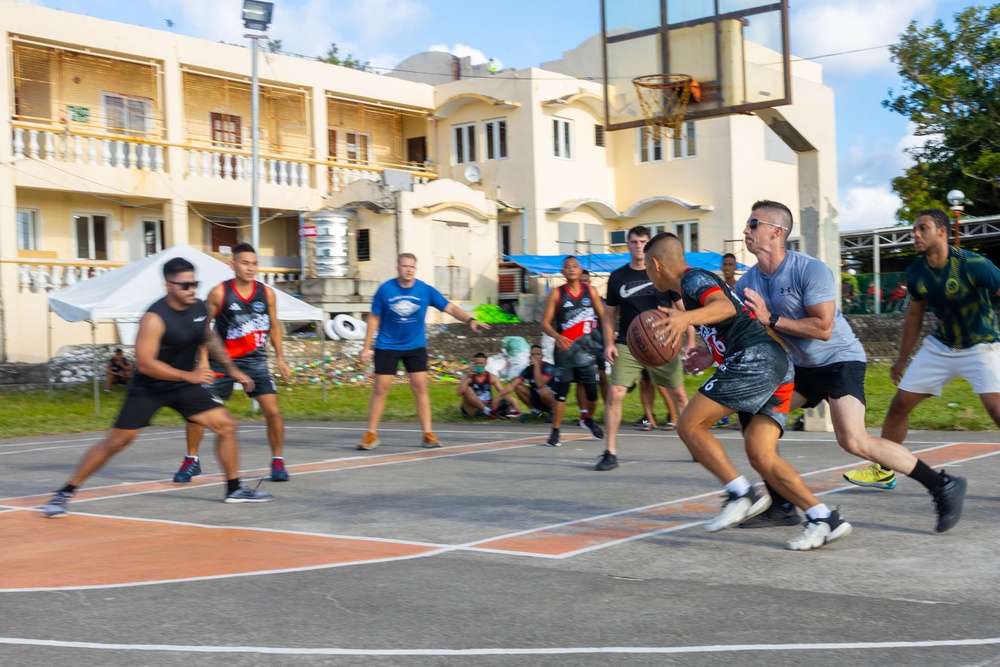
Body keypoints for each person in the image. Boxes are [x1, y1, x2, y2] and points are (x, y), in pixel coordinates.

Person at [735, 200, 966, 533]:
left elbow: (823, 328)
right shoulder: (748, 283)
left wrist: (769, 318)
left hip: (840, 359)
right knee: (754, 414)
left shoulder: (808, 269)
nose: (746, 230)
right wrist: (708, 352)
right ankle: (783, 504)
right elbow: (746, 331)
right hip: (803, 367)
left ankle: (942, 485)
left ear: (776, 232)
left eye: (753, 223)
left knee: (854, 440)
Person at [643, 231, 851, 550]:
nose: (646, 273)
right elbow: (738, 320)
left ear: (656, 264)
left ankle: (741, 493)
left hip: (756, 360)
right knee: (761, 454)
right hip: (776, 364)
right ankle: (823, 517)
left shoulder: (692, 279)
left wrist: (685, 318)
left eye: (646, 267)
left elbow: (724, 307)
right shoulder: (694, 284)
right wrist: (709, 352)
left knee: (689, 425)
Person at [41, 257, 273, 517]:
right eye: (184, 285)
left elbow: (207, 336)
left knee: (227, 425)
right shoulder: (154, 318)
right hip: (150, 387)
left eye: (194, 283)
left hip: (183, 384)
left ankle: (234, 489)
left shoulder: (198, 308)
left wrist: (232, 369)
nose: (191, 290)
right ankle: (65, 493)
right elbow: (146, 364)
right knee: (117, 442)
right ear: (168, 286)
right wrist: (189, 376)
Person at [843, 208, 991, 507]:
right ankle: (884, 470)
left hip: (982, 345)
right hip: (941, 346)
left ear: (942, 232)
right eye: (914, 229)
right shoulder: (916, 272)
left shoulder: (973, 263)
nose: (916, 235)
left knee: (998, 411)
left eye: (923, 228)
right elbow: (914, 314)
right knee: (899, 405)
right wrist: (901, 359)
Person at [175, 243, 293, 484]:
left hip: (256, 361)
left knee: (273, 411)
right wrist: (204, 361)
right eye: (245, 263)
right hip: (222, 362)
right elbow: (201, 327)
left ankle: (277, 461)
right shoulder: (219, 293)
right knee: (198, 412)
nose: (251, 268)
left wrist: (280, 358)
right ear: (233, 265)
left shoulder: (266, 293)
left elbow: (275, 325)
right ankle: (191, 460)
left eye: (254, 263)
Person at [358, 253, 490, 450]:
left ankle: (428, 434)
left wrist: (470, 320)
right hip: (387, 345)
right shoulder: (385, 289)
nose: (408, 270)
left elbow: (450, 308)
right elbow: (374, 318)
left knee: (420, 387)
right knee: (380, 389)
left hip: (415, 346)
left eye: (412, 267)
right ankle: (371, 434)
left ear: (415, 269)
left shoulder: (424, 290)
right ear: (398, 268)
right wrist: (366, 347)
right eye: (404, 266)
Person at [597, 225, 693, 471]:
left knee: (680, 395)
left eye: (642, 242)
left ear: (649, 246)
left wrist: (690, 341)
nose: (638, 246)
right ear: (627, 245)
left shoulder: (663, 273)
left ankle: (695, 445)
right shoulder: (617, 277)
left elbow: (684, 312)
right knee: (616, 393)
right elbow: (608, 316)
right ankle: (610, 451)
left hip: (662, 342)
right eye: (633, 241)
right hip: (629, 343)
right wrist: (609, 343)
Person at [540, 256, 606, 446]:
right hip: (565, 352)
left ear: (580, 271)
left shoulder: (591, 292)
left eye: (575, 266)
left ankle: (588, 419)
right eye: (567, 267)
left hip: (587, 351)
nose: (571, 269)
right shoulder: (557, 294)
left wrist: (606, 340)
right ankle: (555, 432)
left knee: (593, 394)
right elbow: (544, 323)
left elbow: (604, 318)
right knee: (562, 393)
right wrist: (557, 336)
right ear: (562, 272)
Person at [492, 344, 557, 420]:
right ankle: (536, 412)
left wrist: (536, 365)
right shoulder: (528, 369)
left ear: (542, 356)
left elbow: (540, 384)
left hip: (553, 400)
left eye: (538, 354)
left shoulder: (548, 367)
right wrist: (498, 396)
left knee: (543, 390)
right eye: (533, 355)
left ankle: (554, 413)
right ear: (530, 358)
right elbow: (512, 385)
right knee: (518, 386)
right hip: (539, 399)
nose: (536, 357)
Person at [577, 268, 609, 424]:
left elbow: (608, 320)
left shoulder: (600, 301)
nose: (583, 284)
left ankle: (609, 411)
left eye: (585, 281)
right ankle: (584, 414)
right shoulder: (572, 302)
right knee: (582, 381)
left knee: (602, 378)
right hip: (579, 346)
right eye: (580, 281)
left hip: (597, 344)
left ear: (589, 282)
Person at [456, 352, 519, 418]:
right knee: (467, 389)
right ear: (474, 364)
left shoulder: (491, 377)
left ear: (486, 364)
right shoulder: (467, 377)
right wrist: (468, 377)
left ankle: (504, 413)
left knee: (509, 401)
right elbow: (459, 393)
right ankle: (488, 412)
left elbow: (502, 391)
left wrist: (514, 402)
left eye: (481, 363)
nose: (478, 365)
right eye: (476, 363)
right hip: (473, 408)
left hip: (488, 405)